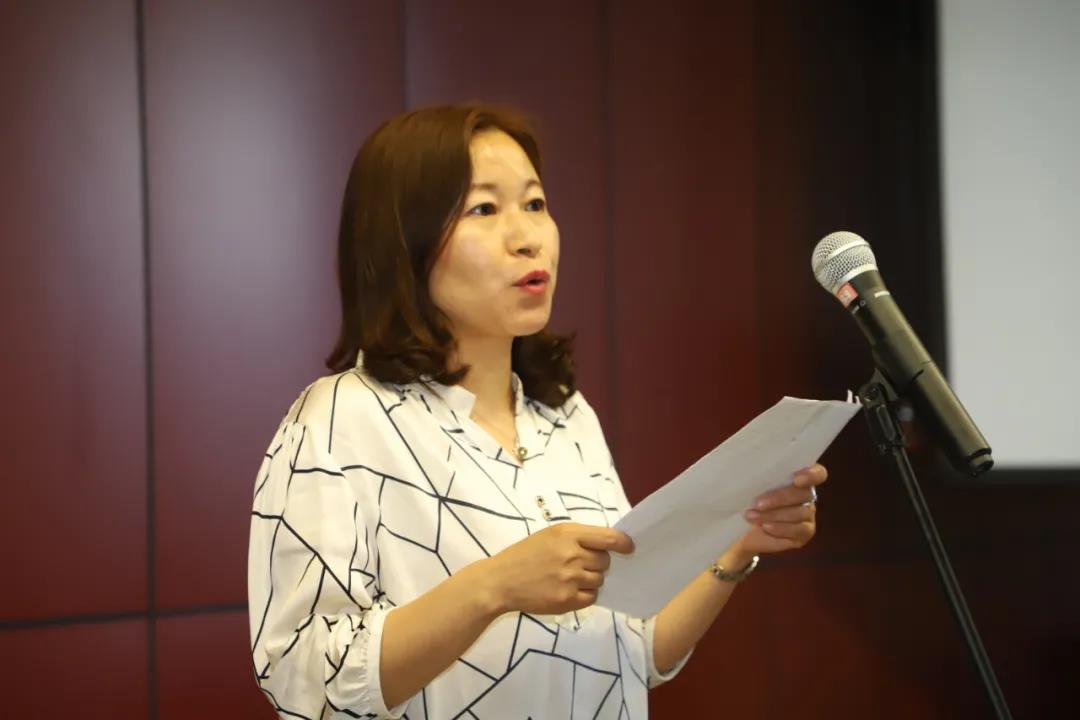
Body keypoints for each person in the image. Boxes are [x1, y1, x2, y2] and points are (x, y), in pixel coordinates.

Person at [247, 104, 827, 720]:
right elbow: (304, 681)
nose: (528, 237)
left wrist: (735, 543)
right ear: (403, 244)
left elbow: (632, 652)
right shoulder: (339, 420)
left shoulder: (565, 416)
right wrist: (494, 586)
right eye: (484, 209)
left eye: (535, 203)